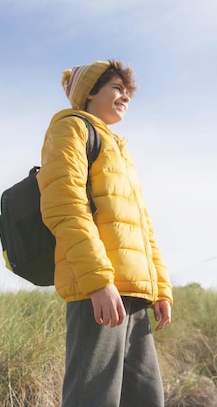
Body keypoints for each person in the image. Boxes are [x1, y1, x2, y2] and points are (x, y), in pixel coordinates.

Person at [37, 59, 173, 407]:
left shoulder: (120, 151)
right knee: (93, 400)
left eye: (127, 91)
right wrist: (98, 281)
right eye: (116, 88)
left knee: (147, 400)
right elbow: (65, 207)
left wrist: (160, 288)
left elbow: (143, 227)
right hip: (98, 290)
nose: (125, 96)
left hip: (135, 295)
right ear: (89, 93)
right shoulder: (71, 128)